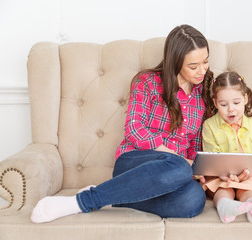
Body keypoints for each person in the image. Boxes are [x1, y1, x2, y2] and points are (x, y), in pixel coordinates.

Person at [30, 24, 214, 223]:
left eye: (205, 62)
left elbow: (194, 143)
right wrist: (179, 160)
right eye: (193, 66)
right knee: (179, 166)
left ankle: (115, 196)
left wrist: (198, 169)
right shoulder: (148, 82)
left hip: (173, 173)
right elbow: (134, 130)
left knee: (194, 199)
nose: (202, 71)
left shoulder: (202, 94)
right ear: (175, 63)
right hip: (135, 162)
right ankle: (83, 201)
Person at [199, 71, 252, 224]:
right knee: (224, 189)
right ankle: (225, 207)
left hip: (247, 177)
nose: (231, 109)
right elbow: (212, 157)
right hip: (221, 177)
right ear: (215, 103)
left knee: (249, 188)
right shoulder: (209, 126)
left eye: (236, 103)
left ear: (245, 99)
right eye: (224, 105)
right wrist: (225, 174)